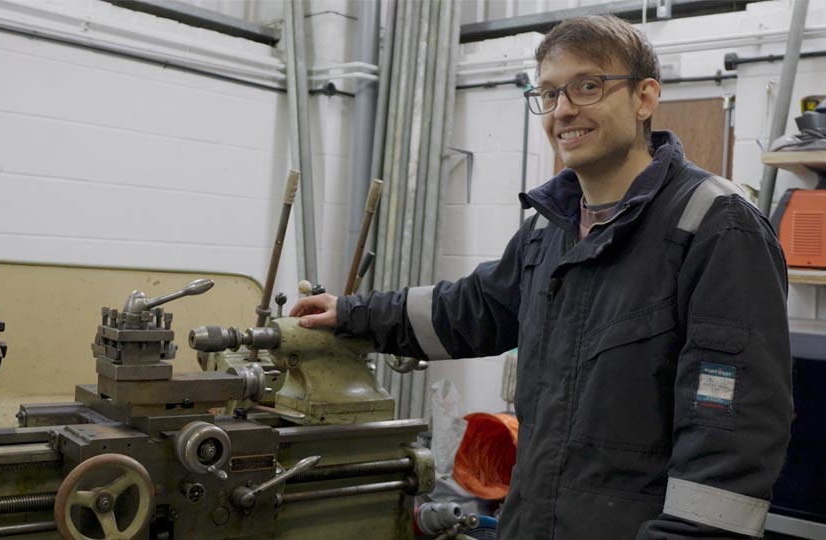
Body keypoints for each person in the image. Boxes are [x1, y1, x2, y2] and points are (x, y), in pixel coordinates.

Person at [290, 15, 791, 540]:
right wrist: (352, 315)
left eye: (588, 86)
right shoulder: (549, 228)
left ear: (644, 98)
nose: (563, 110)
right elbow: (473, 308)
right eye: (549, 94)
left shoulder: (714, 226)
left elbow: (729, 434)